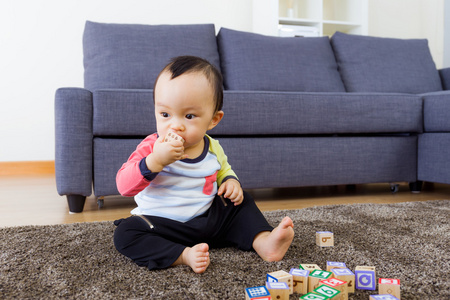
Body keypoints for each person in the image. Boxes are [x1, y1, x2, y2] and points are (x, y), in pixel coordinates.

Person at [114, 56, 294, 273]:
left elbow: (224, 170)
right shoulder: (151, 147)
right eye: (165, 114)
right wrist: (155, 161)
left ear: (213, 120)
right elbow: (124, 186)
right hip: (163, 226)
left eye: (189, 116)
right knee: (126, 233)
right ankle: (182, 254)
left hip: (209, 220)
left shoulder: (212, 147)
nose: (175, 125)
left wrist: (230, 182)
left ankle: (264, 241)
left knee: (241, 201)